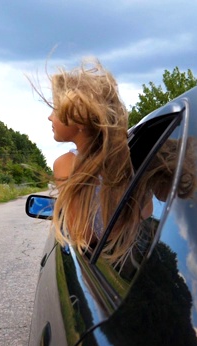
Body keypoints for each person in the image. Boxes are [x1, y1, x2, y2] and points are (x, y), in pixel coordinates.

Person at [35, 58, 143, 262]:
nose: (49, 117)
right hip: (130, 258)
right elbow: (146, 212)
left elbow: (82, 236)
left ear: (79, 119)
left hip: (101, 261)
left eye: (55, 109)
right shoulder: (124, 160)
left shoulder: (65, 164)